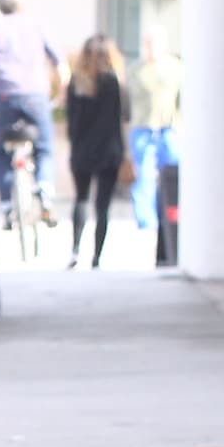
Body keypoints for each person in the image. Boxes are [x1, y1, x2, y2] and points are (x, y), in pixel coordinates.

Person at [0, 0, 66, 228]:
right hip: (36, 95)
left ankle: (6, 204)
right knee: (44, 148)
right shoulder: (37, 26)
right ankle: (45, 192)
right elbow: (60, 63)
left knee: (2, 151)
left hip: (6, 95)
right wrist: (60, 93)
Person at [65, 34, 127, 270]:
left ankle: (75, 249)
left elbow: (72, 122)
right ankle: (96, 257)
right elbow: (121, 119)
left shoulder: (77, 84)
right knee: (102, 205)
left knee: (81, 199)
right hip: (108, 151)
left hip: (83, 151)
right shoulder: (113, 82)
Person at [127, 26, 182, 234]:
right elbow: (126, 104)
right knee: (144, 177)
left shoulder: (175, 68)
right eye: (148, 43)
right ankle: (147, 223)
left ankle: (173, 215)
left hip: (167, 129)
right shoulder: (135, 70)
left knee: (174, 173)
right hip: (142, 129)